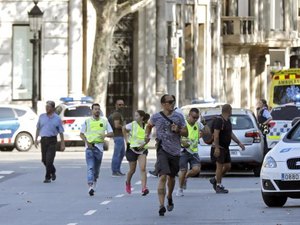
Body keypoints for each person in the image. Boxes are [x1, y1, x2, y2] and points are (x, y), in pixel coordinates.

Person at [145, 94, 188, 216]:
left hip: (175, 151)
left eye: (173, 101)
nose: (172, 103)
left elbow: (186, 132)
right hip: (162, 150)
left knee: (172, 177)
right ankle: (161, 205)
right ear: (163, 104)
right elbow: (148, 126)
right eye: (169, 102)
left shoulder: (179, 116)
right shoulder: (156, 117)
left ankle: (169, 196)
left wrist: (178, 130)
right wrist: (146, 136)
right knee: (163, 176)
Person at [209, 104, 245, 194]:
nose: (231, 111)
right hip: (219, 148)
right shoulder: (219, 121)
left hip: (225, 148)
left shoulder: (227, 120)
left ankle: (215, 179)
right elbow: (216, 135)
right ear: (229, 110)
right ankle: (218, 185)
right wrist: (216, 148)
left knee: (228, 166)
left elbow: (230, 133)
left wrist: (239, 143)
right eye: (231, 110)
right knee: (219, 167)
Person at [80, 103, 113, 196]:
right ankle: (90, 186)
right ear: (92, 110)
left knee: (96, 169)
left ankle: (94, 181)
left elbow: (111, 133)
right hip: (90, 148)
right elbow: (81, 134)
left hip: (99, 148)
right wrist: (87, 142)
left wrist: (105, 135)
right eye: (95, 109)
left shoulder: (104, 121)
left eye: (98, 109)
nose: (97, 110)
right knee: (90, 167)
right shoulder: (87, 121)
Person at [34, 100, 65, 183]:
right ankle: (53, 170)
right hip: (43, 140)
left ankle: (47, 177)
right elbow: (38, 128)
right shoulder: (41, 116)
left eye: (48, 107)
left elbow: (61, 132)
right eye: (46, 107)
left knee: (49, 160)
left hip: (52, 140)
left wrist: (62, 143)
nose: (46, 108)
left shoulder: (57, 118)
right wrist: (36, 139)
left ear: (53, 108)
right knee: (44, 160)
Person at [176, 108, 204, 197]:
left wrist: (203, 129)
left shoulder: (198, 124)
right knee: (182, 170)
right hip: (183, 151)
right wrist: (182, 142)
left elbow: (206, 132)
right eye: (194, 117)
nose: (195, 119)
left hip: (193, 151)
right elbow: (176, 133)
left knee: (196, 170)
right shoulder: (183, 124)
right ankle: (180, 189)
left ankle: (185, 177)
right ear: (189, 116)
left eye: (197, 117)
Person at [123, 110, 151, 196]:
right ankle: (128, 183)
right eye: (135, 116)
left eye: (137, 116)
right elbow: (123, 128)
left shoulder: (147, 126)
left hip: (142, 150)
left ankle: (144, 188)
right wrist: (127, 140)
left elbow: (148, 138)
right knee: (132, 170)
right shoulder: (132, 124)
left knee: (143, 168)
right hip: (132, 149)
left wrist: (144, 144)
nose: (135, 117)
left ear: (142, 117)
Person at [108, 99, 126, 177]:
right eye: (119, 105)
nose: (121, 106)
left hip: (120, 136)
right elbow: (116, 125)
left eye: (122, 104)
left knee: (121, 154)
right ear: (116, 105)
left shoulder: (119, 114)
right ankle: (115, 171)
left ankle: (117, 170)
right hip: (118, 136)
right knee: (117, 154)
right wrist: (125, 127)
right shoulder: (116, 114)